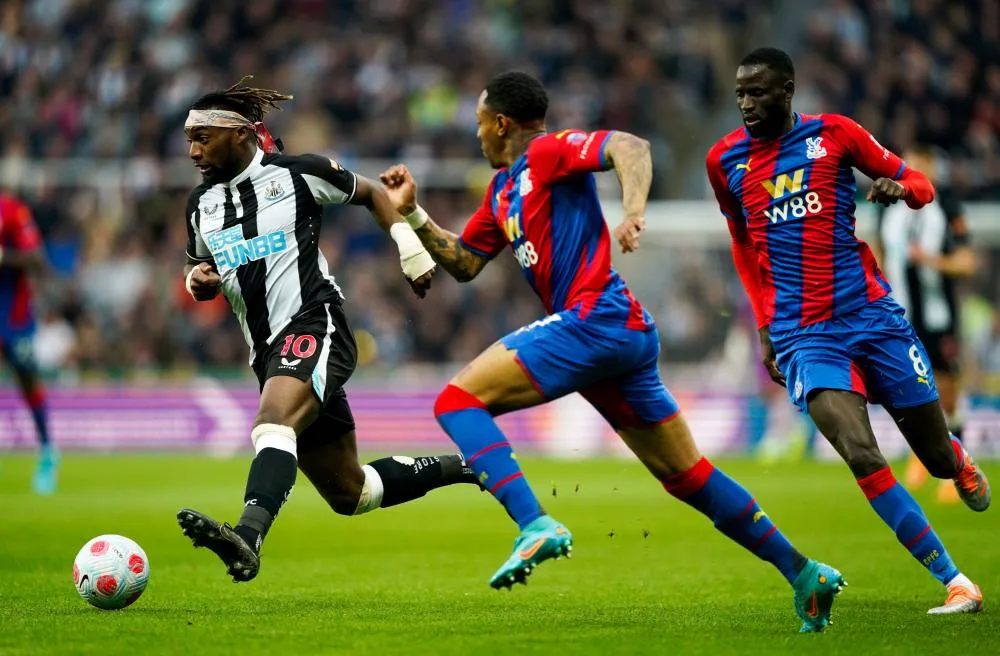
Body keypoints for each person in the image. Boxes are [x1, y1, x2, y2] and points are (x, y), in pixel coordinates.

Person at [381, 71, 845, 633]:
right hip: (614, 337)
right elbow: (464, 262)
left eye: (480, 122)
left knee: (456, 403)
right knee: (687, 476)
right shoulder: (502, 190)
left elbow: (631, 147)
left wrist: (632, 211)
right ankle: (804, 572)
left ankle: (534, 524)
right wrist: (411, 212)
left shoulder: (549, 153)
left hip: (595, 317)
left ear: (501, 122)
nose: (477, 135)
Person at [706, 47, 989, 616]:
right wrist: (763, 324)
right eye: (740, 93)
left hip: (871, 317)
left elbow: (919, 183)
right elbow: (741, 243)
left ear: (787, 91)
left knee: (932, 455)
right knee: (862, 454)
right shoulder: (726, 161)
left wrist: (899, 190)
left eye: (757, 92)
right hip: (803, 334)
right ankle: (956, 580)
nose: (745, 103)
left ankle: (956, 462)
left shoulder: (834, 135)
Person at [175, 76, 480, 583]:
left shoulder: (299, 175)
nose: (192, 150)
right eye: (190, 138)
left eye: (203, 137)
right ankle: (471, 466)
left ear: (244, 135)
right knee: (351, 493)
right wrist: (196, 282)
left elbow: (374, 194)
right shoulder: (200, 206)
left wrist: (409, 247)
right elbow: (198, 270)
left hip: (316, 325)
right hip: (266, 352)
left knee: (272, 425)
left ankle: (247, 537)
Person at [874, 145, 976, 502]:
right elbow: (879, 258)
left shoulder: (946, 207)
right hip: (899, 318)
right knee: (907, 390)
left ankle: (956, 470)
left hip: (939, 317)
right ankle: (923, 455)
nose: (914, 168)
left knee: (947, 393)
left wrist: (930, 260)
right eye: (909, 162)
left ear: (933, 167)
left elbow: (967, 263)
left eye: (921, 163)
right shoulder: (887, 208)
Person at [0, 192, 57, 494]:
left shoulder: (11, 211)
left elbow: (36, 258)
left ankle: (47, 452)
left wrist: (4, 256)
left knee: (26, 380)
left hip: (13, 317)